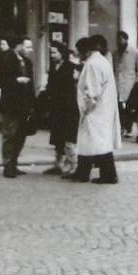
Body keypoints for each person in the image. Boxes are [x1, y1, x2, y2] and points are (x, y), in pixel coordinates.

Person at [72, 34, 120, 184]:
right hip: (104, 109)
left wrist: (86, 108)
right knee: (93, 142)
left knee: (96, 142)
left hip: (95, 111)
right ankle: (83, 172)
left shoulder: (92, 64)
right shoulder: (102, 61)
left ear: (85, 51)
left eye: (79, 52)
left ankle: (107, 175)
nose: (79, 56)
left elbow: (92, 91)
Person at [0, 36, 35, 178]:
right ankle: (7, 165)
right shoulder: (6, 60)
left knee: (21, 135)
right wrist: (16, 80)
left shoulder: (28, 63)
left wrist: (32, 104)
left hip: (24, 105)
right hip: (11, 104)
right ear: (19, 46)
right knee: (10, 135)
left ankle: (15, 163)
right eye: (28, 47)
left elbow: (31, 84)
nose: (30, 50)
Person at [39, 41, 81, 175]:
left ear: (62, 53)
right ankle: (59, 164)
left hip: (68, 108)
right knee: (58, 138)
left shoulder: (70, 67)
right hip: (56, 108)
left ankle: (73, 165)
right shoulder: (53, 67)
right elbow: (50, 85)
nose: (52, 55)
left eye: (54, 52)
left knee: (68, 138)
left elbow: (72, 86)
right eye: (51, 52)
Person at [113, 31, 138, 136]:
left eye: (121, 39)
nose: (119, 41)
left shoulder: (135, 52)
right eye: (118, 39)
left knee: (130, 108)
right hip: (117, 84)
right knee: (119, 108)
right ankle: (122, 127)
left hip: (130, 84)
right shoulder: (115, 53)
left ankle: (129, 129)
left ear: (126, 40)